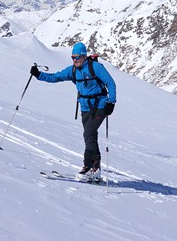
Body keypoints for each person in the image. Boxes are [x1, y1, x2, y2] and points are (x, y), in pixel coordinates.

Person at [31, 42, 117, 177]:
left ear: (84, 56)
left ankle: (88, 166)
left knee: (88, 134)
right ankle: (95, 169)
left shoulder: (96, 67)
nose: (74, 60)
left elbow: (110, 83)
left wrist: (111, 102)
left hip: (100, 106)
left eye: (77, 57)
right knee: (91, 135)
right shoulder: (73, 70)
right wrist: (38, 75)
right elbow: (55, 77)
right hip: (85, 107)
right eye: (72, 57)